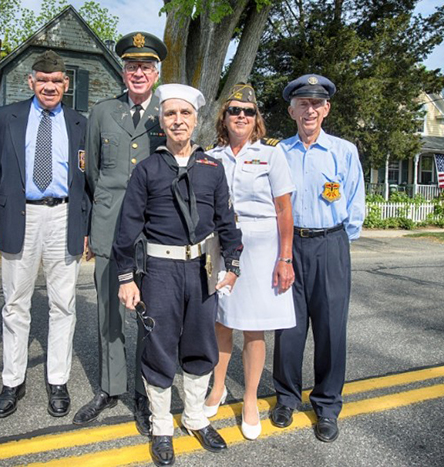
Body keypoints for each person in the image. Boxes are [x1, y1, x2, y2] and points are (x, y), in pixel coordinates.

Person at [114, 84, 243, 466]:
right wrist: (126, 277)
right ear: (161, 120)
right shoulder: (148, 169)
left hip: (201, 269)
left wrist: (232, 266)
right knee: (159, 345)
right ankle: (160, 425)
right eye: (170, 114)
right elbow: (128, 227)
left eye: (185, 114)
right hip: (160, 271)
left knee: (201, 343)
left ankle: (195, 417)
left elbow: (226, 222)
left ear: (196, 119)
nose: (178, 120)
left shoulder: (212, 168)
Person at [0, 50, 88, 420]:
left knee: (64, 304)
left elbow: (86, 182)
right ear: (31, 82)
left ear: (66, 84)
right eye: (42, 80)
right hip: (21, 215)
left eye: (56, 81)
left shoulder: (79, 123)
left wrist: (86, 227)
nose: (49, 86)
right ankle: (12, 381)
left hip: (63, 215)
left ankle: (57, 380)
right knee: (15, 303)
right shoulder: (6, 117)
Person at [75, 31, 168, 434]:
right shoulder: (101, 112)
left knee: (151, 317)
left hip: (155, 232)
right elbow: (92, 175)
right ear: (123, 70)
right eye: (132, 66)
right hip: (110, 228)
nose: (138, 73)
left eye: (146, 66)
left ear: (156, 72)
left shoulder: (168, 112)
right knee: (109, 314)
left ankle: (145, 395)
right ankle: (110, 388)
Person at [271, 74, 365, 443]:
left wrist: (340, 242)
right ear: (291, 109)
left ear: (326, 109)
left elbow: (355, 202)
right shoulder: (280, 151)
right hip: (290, 247)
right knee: (288, 329)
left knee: (330, 330)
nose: (309, 110)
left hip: (331, 245)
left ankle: (326, 405)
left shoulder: (343, 151)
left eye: (316, 103)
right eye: (302, 103)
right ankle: (286, 397)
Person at [204, 83, 296, 440]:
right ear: (223, 117)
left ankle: (252, 399)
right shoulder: (211, 156)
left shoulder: (271, 155)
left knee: (253, 327)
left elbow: (284, 209)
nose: (241, 116)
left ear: (257, 119)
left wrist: (285, 258)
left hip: (260, 249)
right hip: (222, 246)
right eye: (234, 111)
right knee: (221, 323)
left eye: (248, 111)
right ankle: (218, 387)